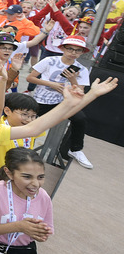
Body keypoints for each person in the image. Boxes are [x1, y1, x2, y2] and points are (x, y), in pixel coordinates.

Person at [25, 35, 93, 169]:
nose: (73, 53)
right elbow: (30, 78)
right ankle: (22, 145)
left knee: (80, 118)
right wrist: (52, 84)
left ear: (82, 53)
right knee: (30, 123)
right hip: (41, 100)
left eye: (77, 50)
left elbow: (80, 92)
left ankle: (75, 149)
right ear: (62, 48)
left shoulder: (82, 69)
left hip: (63, 103)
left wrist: (73, 80)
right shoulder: (49, 60)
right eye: (70, 49)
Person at [0, 148, 54, 254]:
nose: (35, 184)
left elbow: (45, 231)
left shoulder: (43, 197)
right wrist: (18, 226)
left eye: (40, 177)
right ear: (9, 173)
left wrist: (40, 234)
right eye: (27, 177)